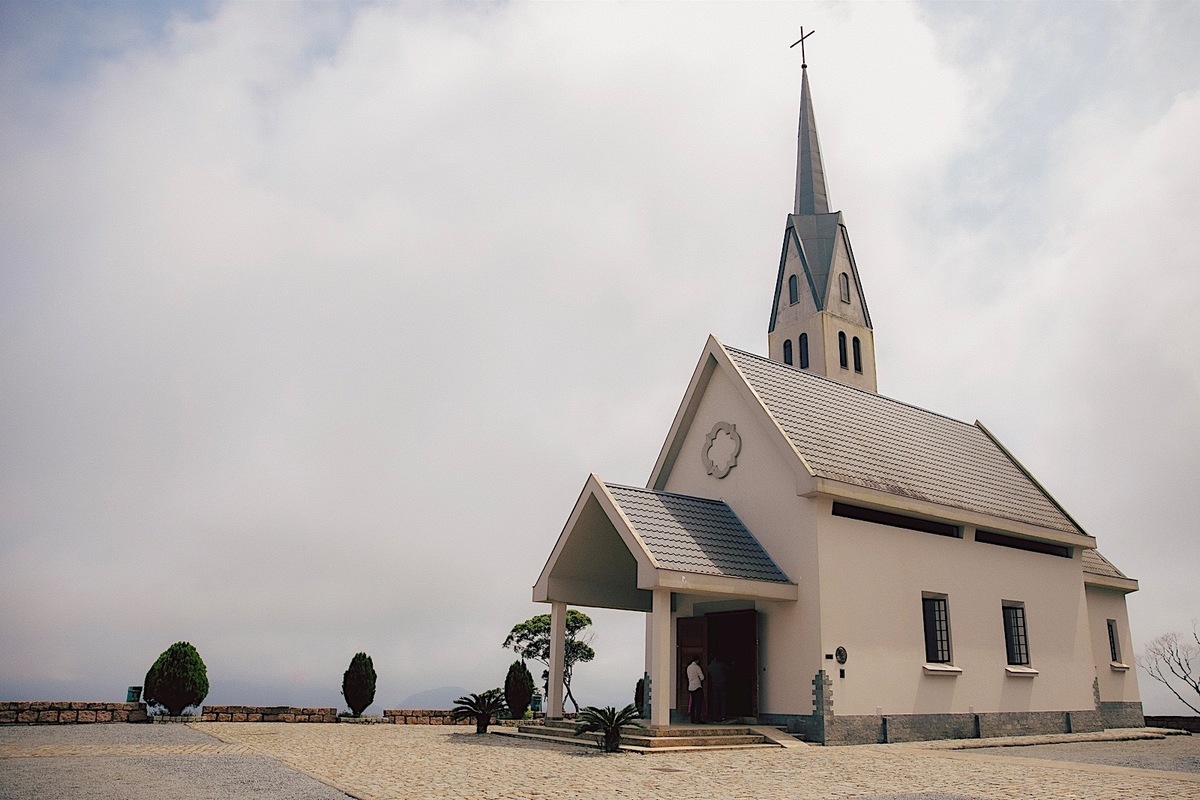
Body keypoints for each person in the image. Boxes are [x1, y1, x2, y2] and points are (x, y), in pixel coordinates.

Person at [707, 656, 727, 722]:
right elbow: (728, 669)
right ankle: (723, 715)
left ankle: (715, 716)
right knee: (722, 700)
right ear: (715, 659)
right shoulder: (720, 665)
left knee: (715, 700)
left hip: (714, 683)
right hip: (722, 683)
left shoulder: (709, 667)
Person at [686, 657, 705, 724]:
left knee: (693, 703)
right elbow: (702, 677)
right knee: (699, 703)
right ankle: (698, 718)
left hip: (691, 686)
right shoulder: (697, 667)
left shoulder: (688, 667)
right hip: (697, 686)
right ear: (697, 660)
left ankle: (692, 718)